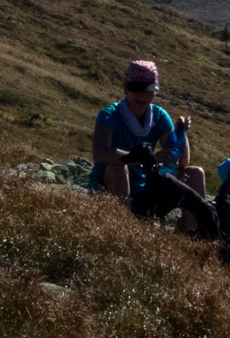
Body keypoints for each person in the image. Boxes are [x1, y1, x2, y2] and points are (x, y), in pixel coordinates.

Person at [90, 60, 211, 235]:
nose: (143, 95)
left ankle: (192, 234)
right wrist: (145, 158)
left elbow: (182, 163)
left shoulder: (159, 116)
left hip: (147, 189)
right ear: (125, 88)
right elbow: (99, 153)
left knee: (195, 173)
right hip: (110, 186)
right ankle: (123, 232)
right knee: (119, 167)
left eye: (149, 90)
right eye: (136, 88)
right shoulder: (109, 115)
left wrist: (181, 133)